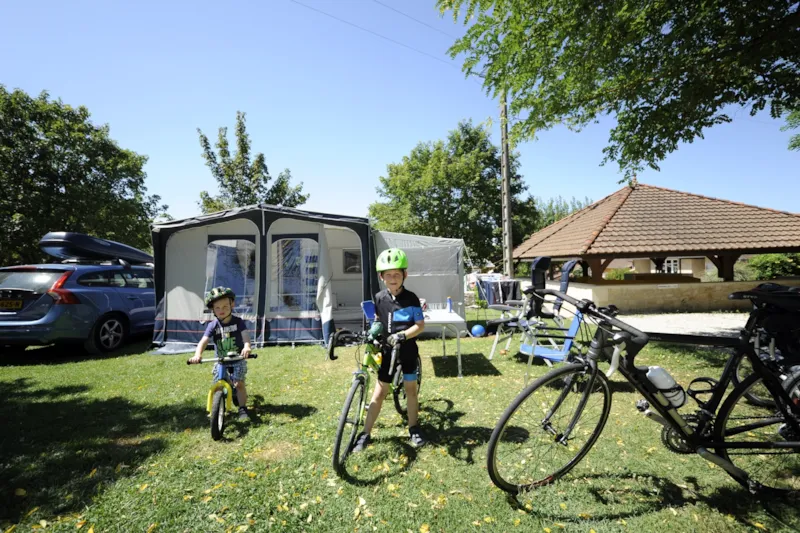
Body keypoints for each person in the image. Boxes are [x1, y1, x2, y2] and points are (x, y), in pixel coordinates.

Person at [353, 248, 427, 451]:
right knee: (379, 392)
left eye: (397, 274)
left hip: (407, 351)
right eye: (388, 275)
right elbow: (378, 319)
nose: (392, 278)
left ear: (405, 275)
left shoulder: (411, 298)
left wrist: (402, 335)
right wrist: (375, 330)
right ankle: (365, 433)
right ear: (381, 277)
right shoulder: (379, 298)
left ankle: (413, 428)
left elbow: (420, 325)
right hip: (388, 352)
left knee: (411, 391)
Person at [189, 287, 252, 421]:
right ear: (213, 310)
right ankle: (218, 408)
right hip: (221, 360)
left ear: (232, 304)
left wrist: (246, 346)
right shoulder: (213, 325)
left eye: (225, 306)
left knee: (239, 383)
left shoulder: (238, 322)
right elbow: (203, 341)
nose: (221, 310)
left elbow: (245, 336)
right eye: (217, 308)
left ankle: (242, 408)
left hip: (237, 359)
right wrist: (197, 354)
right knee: (218, 385)